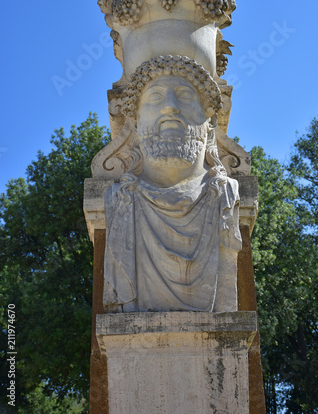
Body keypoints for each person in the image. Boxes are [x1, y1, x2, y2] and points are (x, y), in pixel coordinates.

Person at [103, 55, 242, 312]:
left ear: (209, 123)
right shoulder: (121, 199)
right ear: (135, 123)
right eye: (155, 97)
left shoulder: (224, 196)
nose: (170, 107)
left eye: (185, 96)